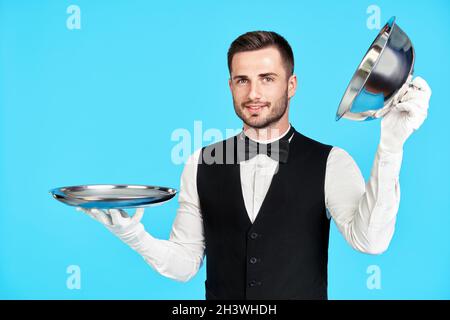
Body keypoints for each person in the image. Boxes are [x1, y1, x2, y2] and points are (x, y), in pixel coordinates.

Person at [77, 31, 431, 300]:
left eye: (267, 78)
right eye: (242, 80)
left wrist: (391, 144)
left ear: (291, 85)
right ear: (230, 85)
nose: (253, 94)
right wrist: (132, 234)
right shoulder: (199, 163)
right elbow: (185, 265)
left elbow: (370, 241)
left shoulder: (331, 162)